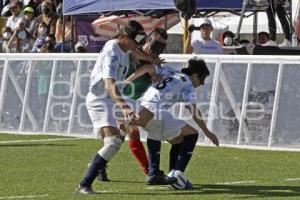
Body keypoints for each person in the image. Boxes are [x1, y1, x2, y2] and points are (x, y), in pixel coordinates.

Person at [76, 20, 166, 194]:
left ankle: (101, 166)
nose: (138, 44)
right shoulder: (111, 53)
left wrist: (152, 61)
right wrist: (124, 106)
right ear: (124, 36)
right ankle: (84, 184)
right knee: (113, 142)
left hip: (114, 99)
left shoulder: (126, 47)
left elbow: (137, 53)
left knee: (133, 131)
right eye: (135, 40)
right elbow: (109, 84)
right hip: (100, 100)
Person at [121, 58, 219, 184]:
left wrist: (128, 80)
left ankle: (155, 173)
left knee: (176, 139)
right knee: (192, 133)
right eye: (202, 78)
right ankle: (176, 174)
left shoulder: (170, 71)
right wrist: (207, 132)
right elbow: (193, 110)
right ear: (194, 75)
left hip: (141, 106)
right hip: (156, 111)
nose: (202, 83)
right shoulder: (187, 84)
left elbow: (148, 68)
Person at [98, 28, 169, 184]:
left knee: (120, 137)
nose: (157, 50)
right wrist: (150, 62)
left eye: (162, 47)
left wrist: (155, 77)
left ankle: (100, 164)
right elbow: (130, 58)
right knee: (133, 131)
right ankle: (150, 171)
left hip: (136, 101)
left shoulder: (153, 60)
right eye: (156, 44)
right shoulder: (132, 51)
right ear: (147, 41)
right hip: (119, 100)